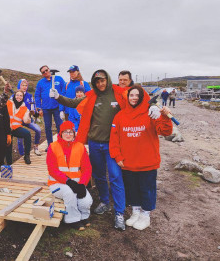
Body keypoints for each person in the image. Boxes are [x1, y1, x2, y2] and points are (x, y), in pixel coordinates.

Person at [50, 70, 161, 231]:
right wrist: (58, 97)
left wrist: (152, 106)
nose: (100, 84)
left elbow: (138, 98)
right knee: (99, 176)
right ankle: (104, 202)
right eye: (97, 82)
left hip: (112, 144)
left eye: (102, 81)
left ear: (107, 80)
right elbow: (74, 102)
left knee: (116, 177)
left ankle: (119, 212)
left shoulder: (119, 93)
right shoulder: (91, 95)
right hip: (95, 143)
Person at [109, 85, 173, 230]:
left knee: (147, 189)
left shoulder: (151, 112)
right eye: (131, 95)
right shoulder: (120, 115)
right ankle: (136, 212)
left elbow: (165, 131)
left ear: (142, 97)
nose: (134, 98)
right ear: (127, 97)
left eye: (137, 95)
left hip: (147, 162)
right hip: (128, 163)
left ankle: (146, 215)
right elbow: (114, 138)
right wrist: (117, 156)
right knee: (132, 189)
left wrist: (164, 116)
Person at [47, 121, 93, 230]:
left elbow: (87, 168)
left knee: (86, 201)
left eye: (71, 132)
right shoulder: (53, 147)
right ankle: (72, 219)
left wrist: (82, 184)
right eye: (65, 132)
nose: (68, 134)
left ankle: (84, 216)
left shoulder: (80, 147)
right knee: (69, 192)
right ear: (61, 133)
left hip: (77, 183)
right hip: (57, 184)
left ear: (74, 133)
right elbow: (52, 170)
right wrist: (68, 181)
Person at [35, 65, 65, 148]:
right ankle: (50, 145)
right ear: (42, 74)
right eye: (43, 72)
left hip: (57, 107)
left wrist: (62, 107)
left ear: (49, 69)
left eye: (46, 70)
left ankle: (61, 144)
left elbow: (63, 91)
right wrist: (39, 108)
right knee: (48, 127)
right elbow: (37, 96)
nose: (45, 72)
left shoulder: (59, 79)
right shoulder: (40, 83)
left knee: (60, 126)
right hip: (45, 108)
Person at [16, 79, 42, 156]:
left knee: (38, 130)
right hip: (18, 120)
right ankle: (22, 154)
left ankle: (36, 147)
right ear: (19, 86)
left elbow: (32, 106)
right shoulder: (14, 95)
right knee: (20, 138)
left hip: (28, 118)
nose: (24, 87)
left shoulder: (29, 96)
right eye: (22, 85)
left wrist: (34, 112)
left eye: (26, 85)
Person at [6, 90, 32, 164]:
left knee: (27, 134)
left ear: (23, 97)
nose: (19, 97)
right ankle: (9, 163)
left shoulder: (25, 108)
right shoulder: (8, 103)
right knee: (8, 145)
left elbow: (26, 121)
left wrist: (30, 115)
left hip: (16, 128)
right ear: (14, 96)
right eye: (17, 95)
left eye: (21, 96)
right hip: (7, 128)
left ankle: (27, 155)